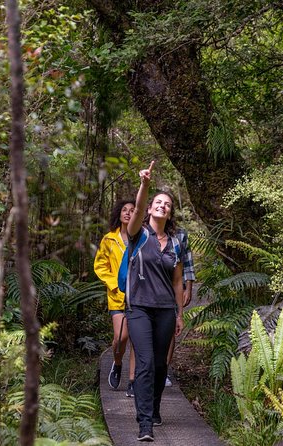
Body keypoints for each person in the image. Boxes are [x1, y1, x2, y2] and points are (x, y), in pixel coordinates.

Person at [120, 161, 184, 442]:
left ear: (170, 213)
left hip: (166, 311)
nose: (162, 206)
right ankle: (144, 423)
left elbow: (178, 282)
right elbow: (137, 209)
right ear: (148, 208)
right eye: (158, 202)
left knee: (160, 365)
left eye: (167, 204)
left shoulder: (176, 243)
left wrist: (180, 314)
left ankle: (154, 409)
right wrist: (145, 185)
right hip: (138, 309)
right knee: (145, 362)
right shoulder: (137, 234)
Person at [94, 200, 137, 396]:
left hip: (139, 295)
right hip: (117, 296)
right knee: (121, 337)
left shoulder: (143, 237)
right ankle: (117, 362)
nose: (128, 213)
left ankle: (132, 381)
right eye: (124, 210)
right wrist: (115, 285)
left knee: (136, 339)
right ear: (119, 214)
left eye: (132, 210)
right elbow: (101, 266)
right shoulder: (109, 239)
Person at [165, 227, 195, 386]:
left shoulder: (180, 234)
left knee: (169, 330)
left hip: (174, 288)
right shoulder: (144, 231)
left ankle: (163, 371)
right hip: (152, 289)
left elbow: (187, 261)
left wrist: (188, 288)